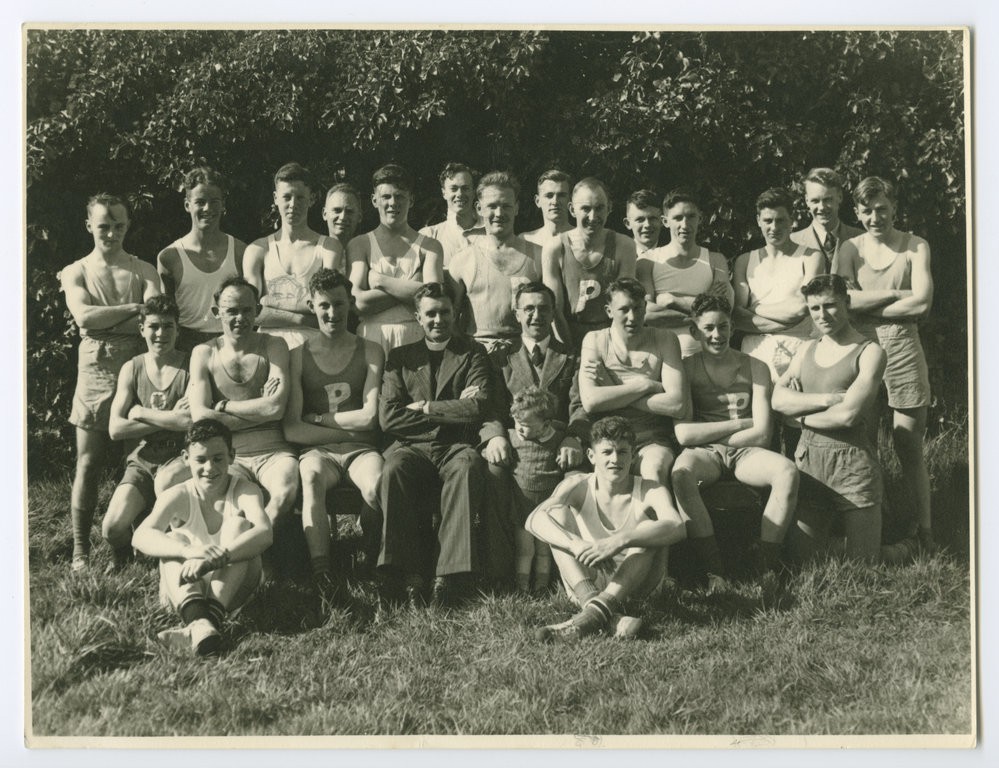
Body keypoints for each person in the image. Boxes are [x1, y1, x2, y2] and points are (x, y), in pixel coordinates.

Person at [377, 282, 495, 607]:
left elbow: (478, 407)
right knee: (394, 468)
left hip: (456, 446)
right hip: (413, 448)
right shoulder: (400, 358)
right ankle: (401, 576)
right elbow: (389, 419)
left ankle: (450, 579)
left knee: (469, 465)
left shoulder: (472, 353)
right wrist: (454, 409)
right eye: (430, 313)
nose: (438, 319)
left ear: (455, 314)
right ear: (418, 317)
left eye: (445, 312)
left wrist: (427, 408)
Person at [61, 193, 161, 571]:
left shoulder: (143, 269)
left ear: (128, 225)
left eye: (119, 225)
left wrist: (130, 315)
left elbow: (155, 315)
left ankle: (137, 542)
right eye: (104, 225)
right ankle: (80, 550)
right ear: (89, 225)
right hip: (96, 367)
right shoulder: (76, 270)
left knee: (139, 458)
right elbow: (85, 317)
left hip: (139, 365)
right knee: (88, 460)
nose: (111, 232)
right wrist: (134, 310)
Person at [835, 176, 935, 555]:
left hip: (904, 345)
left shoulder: (915, 246)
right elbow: (844, 302)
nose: (875, 217)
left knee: (908, 442)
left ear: (894, 206)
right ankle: (875, 524)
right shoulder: (850, 248)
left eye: (882, 208)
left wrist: (867, 299)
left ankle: (924, 530)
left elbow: (922, 305)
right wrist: (897, 293)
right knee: (863, 438)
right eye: (866, 210)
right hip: (861, 347)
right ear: (857, 212)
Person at [671, 294, 799, 589]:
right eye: (709, 328)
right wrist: (740, 422)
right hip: (705, 453)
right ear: (694, 331)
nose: (717, 335)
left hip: (747, 452)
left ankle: (765, 569)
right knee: (681, 474)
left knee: (787, 472)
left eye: (724, 327)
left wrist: (714, 431)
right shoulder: (687, 369)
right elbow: (684, 435)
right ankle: (714, 571)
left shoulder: (756, 367)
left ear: (733, 328)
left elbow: (763, 434)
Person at [525, 415, 686, 641]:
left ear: (633, 455)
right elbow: (534, 519)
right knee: (556, 515)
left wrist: (621, 540)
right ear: (591, 456)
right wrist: (577, 544)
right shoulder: (578, 485)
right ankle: (603, 613)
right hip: (588, 579)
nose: (615, 459)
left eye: (622, 452)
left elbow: (677, 526)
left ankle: (591, 615)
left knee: (650, 527)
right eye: (607, 452)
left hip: (638, 586)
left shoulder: (650, 489)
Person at [479, 281, 589, 585]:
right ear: (517, 314)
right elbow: (491, 408)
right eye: (528, 308)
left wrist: (573, 437)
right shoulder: (501, 358)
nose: (536, 315)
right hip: (516, 449)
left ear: (553, 313)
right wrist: (495, 436)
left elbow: (580, 405)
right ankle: (501, 571)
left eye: (543, 308)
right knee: (493, 472)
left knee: (576, 479)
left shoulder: (570, 356)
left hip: (557, 448)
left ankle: (567, 572)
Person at [282, 269, 385, 593]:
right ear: (311, 305)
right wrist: (343, 432)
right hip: (319, 451)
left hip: (360, 451)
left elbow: (370, 418)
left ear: (351, 303)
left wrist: (320, 420)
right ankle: (321, 570)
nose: (333, 313)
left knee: (376, 486)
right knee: (310, 477)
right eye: (324, 305)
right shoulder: (297, 356)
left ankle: (371, 558)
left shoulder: (371, 350)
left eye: (339, 304)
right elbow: (293, 429)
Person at [772, 275, 887, 563]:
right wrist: (824, 401)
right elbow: (776, 399)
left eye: (830, 305)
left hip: (853, 463)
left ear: (847, 303)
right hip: (810, 462)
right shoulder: (806, 349)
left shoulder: (870, 352)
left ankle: (904, 550)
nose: (822, 315)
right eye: (814, 308)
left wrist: (799, 415)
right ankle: (837, 546)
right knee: (803, 564)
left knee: (864, 567)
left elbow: (849, 415)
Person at [132, 420, 272, 657]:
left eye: (218, 458)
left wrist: (218, 557)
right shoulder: (178, 494)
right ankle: (203, 625)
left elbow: (265, 533)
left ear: (232, 456)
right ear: (186, 458)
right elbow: (140, 536)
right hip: (185, 589)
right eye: (201, 460)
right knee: (173, 539)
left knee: (239, 525)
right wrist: (188, 552)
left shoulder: (244, 490)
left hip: (235, 587)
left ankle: (200, 623)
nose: (210, 468)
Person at [187, 277, 299, 532]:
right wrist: (261, 405)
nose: (240, 318)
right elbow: (200, 417)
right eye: (232, 311)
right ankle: (254, 557)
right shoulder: (204, 353)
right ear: (217, 313)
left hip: (275, 450)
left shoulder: (274, 345)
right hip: (229, 453)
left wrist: (224, 406)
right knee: (233, 509)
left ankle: (247, 550)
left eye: (247, 310)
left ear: (258, 311)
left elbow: (276, 409)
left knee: (285, 493)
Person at [104, 295, 192, 570]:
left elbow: (189, 422)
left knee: (173, 501)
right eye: (154, 326)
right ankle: (127, 554)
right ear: (142, 329)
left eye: (168, 326)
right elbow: (116, 429)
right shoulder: (132, 368)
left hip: (183, 455)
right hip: (144, 457)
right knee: (112, 528)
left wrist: (142, 413)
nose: (161, 333)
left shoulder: (190, 364)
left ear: (178, 329)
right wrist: (170, 418)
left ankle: (173, 559)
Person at [578, 277, 686, 487]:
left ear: (646, 307)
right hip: (609, 440)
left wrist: (610, 388)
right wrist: (644, 386)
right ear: (609, 311)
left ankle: (658, 520)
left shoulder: (665, 339)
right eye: (624, 309)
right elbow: (590, 401)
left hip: (652, 440)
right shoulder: (595, 341)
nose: (632, 317)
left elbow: (677, 405)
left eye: (638, 308)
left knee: (653, 472)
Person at [244, 162, 345, 351]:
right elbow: (250, 311)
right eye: (287, 197)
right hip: (267, 347)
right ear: (275, 198)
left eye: (300, 197)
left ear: (312, 199)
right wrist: (301, 317)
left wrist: (269, 301)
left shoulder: (328, 247)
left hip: (315, 347)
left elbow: (327, 305)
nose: (293, 205)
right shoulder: (257, 250)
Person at [348, 163, 445, 354]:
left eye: (400, 196)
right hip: (371, 339)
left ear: (412, 199)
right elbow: (358, 303)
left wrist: (380, 280)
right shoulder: (360, 244)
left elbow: (433, 299)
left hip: (415, 337)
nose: (393, 203)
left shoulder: (430, 246)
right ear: (374, 200)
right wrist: (415, 287)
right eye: (386, 196)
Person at [157, 166, 245, 353]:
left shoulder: (240, 251)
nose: (208, 208)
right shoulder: (169, 257)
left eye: (214, 202)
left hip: (231, 343)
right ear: (187, 205)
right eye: (200, 202)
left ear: (223, 204)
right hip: (185, 347)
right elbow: (166, 315)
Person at [542, 177, 638, 350]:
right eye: (586, 209)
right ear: (572, 209)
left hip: (611, 339)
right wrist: (571, 352)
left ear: (609, 208)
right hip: (566, 337)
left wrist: (609, 349)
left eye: (599, 208)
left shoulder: (624, 246)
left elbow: (624, 306)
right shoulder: (555, 248)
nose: (593, 217)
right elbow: (554, 311)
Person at [637, 189, 733, 357]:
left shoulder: (715, 260)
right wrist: (703, 311)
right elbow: (646, 314)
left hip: (708, 359)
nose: (685, 224)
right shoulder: (648, 261)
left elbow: (723, 310)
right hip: (660, 360)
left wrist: (672, 300)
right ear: (665, 221)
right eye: (678, 218)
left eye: (691, 216)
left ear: (700, 219)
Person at [450, 171, 541, 348]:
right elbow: (450, 321)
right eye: (492, 206)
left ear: (516, 208)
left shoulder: (539, 256)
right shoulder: (462, 261)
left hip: (525, 355)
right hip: (477, 358)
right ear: (479, 209)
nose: (499, 213)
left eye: (506, 206)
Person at [507, 386, 576, 593]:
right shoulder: (512, 436)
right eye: (517, 422)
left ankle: (541, 586)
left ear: (545, 425)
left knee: (544, 550)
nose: (520, 428)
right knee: (525, 550)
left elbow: (568, 432)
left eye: (526, 425)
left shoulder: (558, 437)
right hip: (522, 504)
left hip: (548, 507)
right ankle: (522, 587)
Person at [790, 167, 864, 273]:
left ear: (840, 197)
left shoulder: (861, 239)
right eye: (815, 201)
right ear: (807, 201)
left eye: (828, 200)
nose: (822, 207)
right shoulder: (792, 242)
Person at [418, 162, 485, 273]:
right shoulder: (429, 236)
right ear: (444, 193)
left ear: (473, 192)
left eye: (465, 188)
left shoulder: (491, 233)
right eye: (454, 189)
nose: (459, 194)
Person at [523, 169, 574, 247]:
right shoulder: (526, 240)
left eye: (561, 195)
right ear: (537, 201)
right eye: (549, 196)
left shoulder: (583, 238)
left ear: (570, 199)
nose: (555, 201)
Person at [323, 182, 364, 252]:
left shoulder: (371, 255)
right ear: (324, 214)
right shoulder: (312, 253)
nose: (343, 217)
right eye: (337, 210)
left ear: (359, 216)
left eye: (349, 211)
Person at [622, 189, 664, 256]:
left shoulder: (675, 255)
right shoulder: (619, 256)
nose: (647, 225)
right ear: (628, 223)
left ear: (662, 221)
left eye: (652, 218)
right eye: (640, 219)